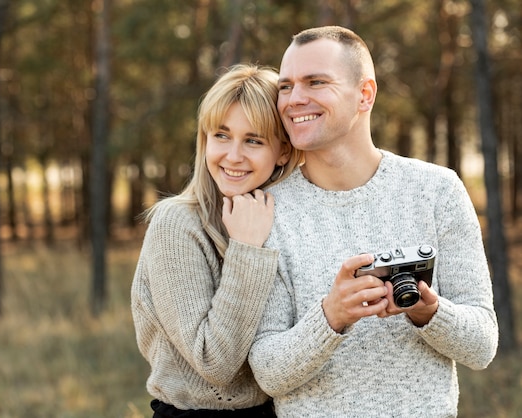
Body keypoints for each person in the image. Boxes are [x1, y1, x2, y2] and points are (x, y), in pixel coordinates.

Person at [247, 26, 499, 417]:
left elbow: (482, 345)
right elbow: (267, 371)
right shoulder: (268, 210)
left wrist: (427, 311)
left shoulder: (437, 190)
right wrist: (331, 316)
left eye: (316, 82)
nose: (295, 99)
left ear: (365, 94)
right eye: (286, 86)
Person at [131, 63, 302, 417]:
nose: (233, 156)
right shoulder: (177, 224)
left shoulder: (284, 221)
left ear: (283, 151)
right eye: (221, 135)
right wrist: (246, 251)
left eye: (253, 140)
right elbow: (215, 363)